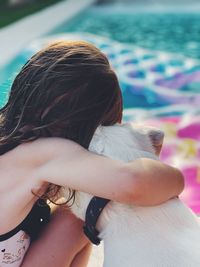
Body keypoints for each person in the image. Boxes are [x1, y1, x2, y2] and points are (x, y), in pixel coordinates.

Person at [0, 41, 184, 267]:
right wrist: (175, 179)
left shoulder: (13, 146)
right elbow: (134, 183)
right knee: (78, 215)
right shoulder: (44, 152)